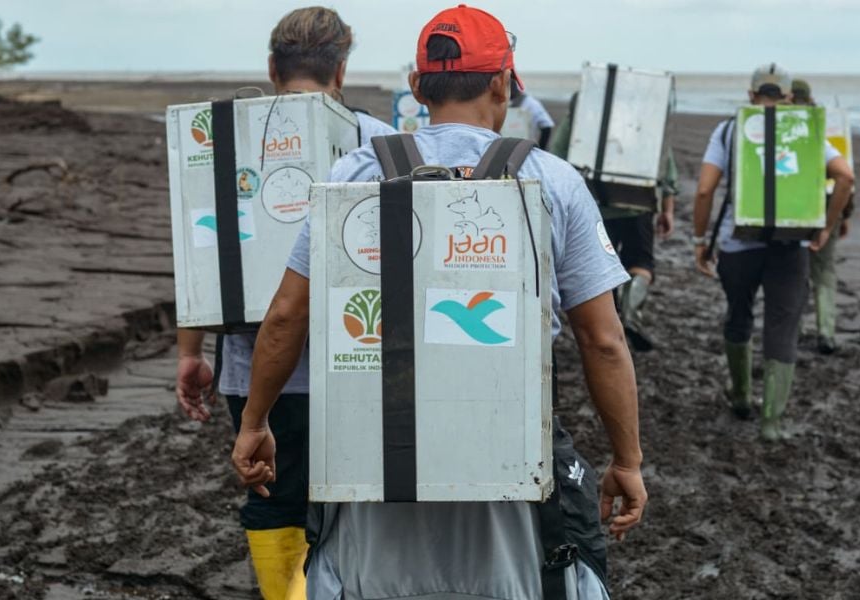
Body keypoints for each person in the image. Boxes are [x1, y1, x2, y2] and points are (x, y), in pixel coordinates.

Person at [230, 5, 647, 599]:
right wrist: (626, 460)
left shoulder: (354, 172)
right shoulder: (553, 182)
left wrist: (255, 421)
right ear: (502, 83)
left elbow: (287, 316)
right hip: (510, 471)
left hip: (375, 467)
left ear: (418, 86)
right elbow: (602, 340)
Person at [173, 7, 396, 599]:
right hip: (356, 364)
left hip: (253, 372)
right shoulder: (381, 143)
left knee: (272, 495)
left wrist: (190, 352)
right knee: (356, 496)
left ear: (272, 67)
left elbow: (200, 252)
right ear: (341, 70)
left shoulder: (224, 138)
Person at [692, 64, 854, 441]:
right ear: (786, 97)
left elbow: (703, 190)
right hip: (790, 248)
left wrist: (700, 242)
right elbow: (845, 176)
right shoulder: (805, 128)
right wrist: (826, 226)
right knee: (782, 327)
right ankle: (772, 422)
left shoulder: (729, 129)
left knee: (738, 317)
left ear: (751, 95)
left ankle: (741, 396)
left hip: (738, 247)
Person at [550, 91, 680, 351]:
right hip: (638, 207)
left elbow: (556, 154)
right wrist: (668, 209)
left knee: (602, 268)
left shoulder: (581, 117)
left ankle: (611, 320)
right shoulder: (643, 122)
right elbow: (665, 168)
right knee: (641, 262)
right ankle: (632, 313)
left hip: (595, 205)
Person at [792, 79, 855, 355]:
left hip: (796, 205)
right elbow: (846, 172)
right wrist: (842, 215)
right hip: (831, 202)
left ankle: (794, 329)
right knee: (825, 272)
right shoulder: (826, 125)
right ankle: (826, 331)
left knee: (795, 271)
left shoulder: (785, 125)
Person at [510, 81, 556, 149]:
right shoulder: (503, 103)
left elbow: (547, 126)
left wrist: (542, 149)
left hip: (527, 147)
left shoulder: (532, 104)